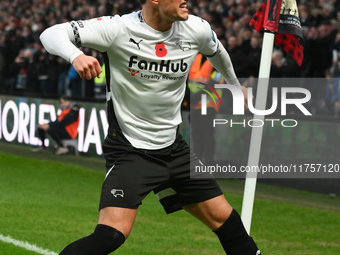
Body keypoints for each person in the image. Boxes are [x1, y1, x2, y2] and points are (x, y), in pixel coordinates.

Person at [40, 0, 260, 254]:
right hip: (131, 150)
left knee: (228, 223)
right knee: (111, 235)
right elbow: (50, 33)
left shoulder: (196, 28)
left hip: (173, 149)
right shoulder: (118, 28)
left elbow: (217, 50)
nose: (186, 0)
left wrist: (234, 84)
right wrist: (76, 55)